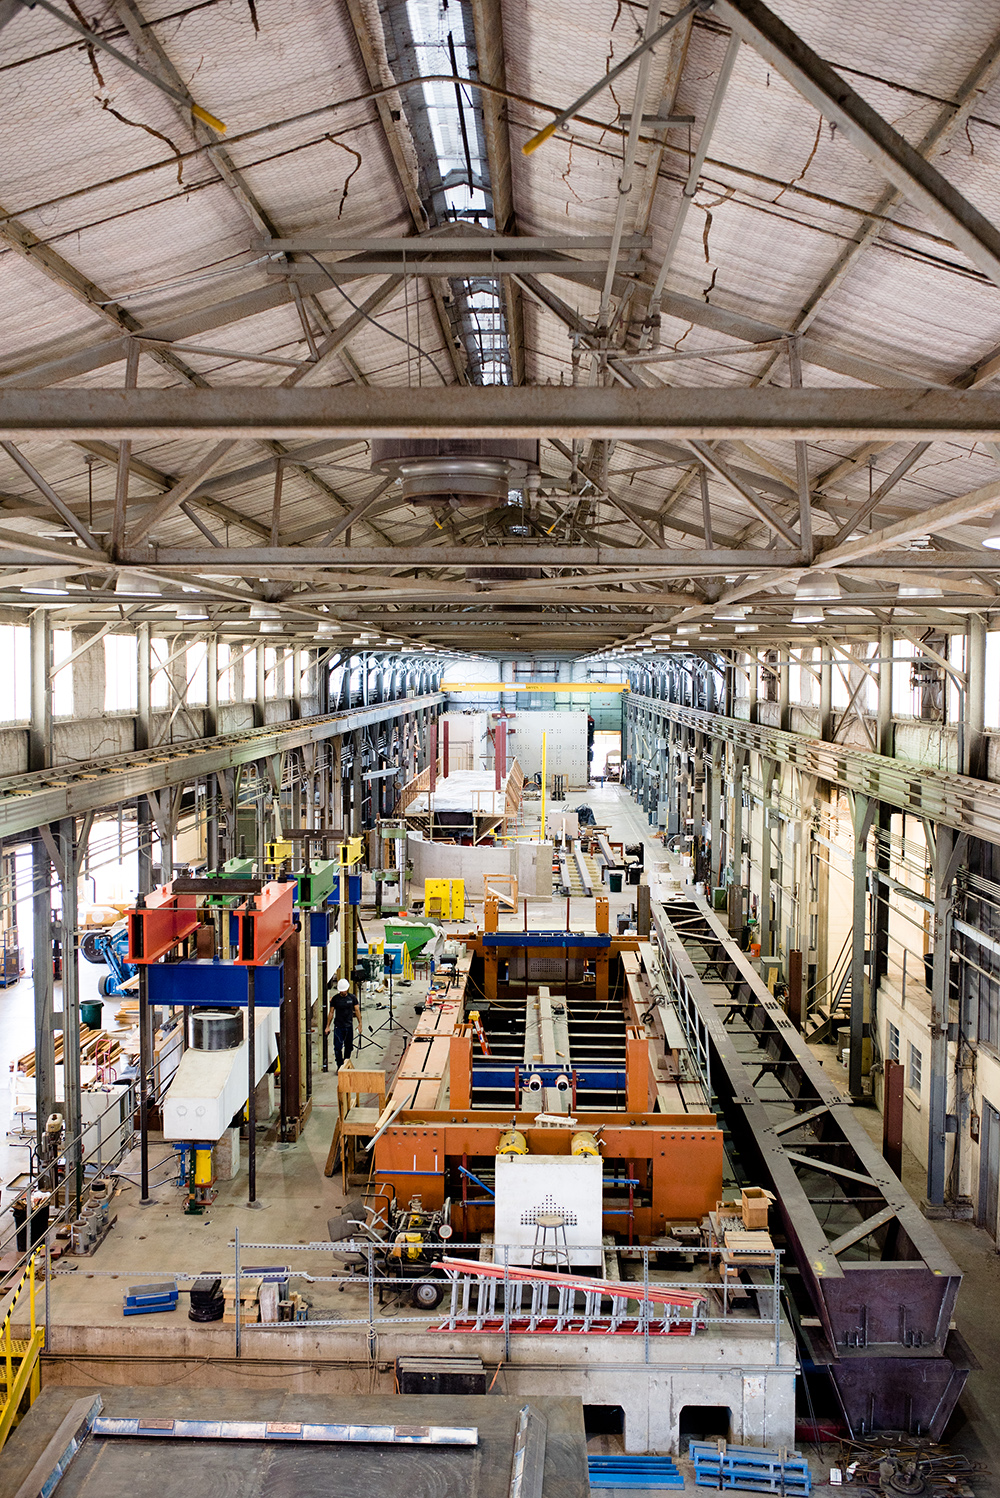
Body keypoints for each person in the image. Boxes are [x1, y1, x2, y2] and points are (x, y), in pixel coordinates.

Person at [326, 977, 362, 1068]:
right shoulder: (335, 999)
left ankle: (346, 1064)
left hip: (349, 1026)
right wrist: (327, 1026)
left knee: (348, 1047)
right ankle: (339, 1065)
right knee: (337, 1047)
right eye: (341, 991)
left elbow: (357, 1011)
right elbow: (331, 1012)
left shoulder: (352, 998)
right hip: (338, 1026)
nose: (343, 992)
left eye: (344, 990)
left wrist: (360, 1024)